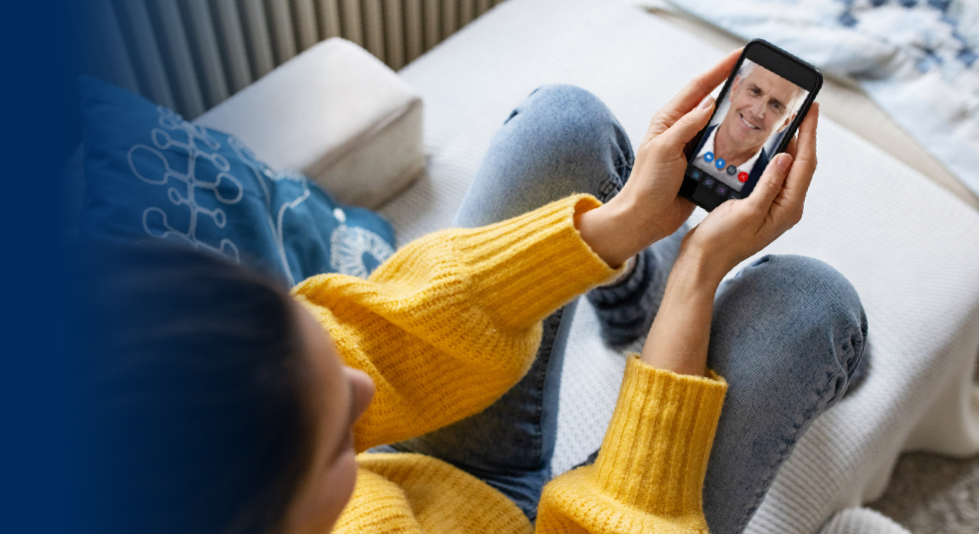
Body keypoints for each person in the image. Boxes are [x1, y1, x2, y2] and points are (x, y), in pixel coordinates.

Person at [80, 49, 866, 534]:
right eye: (331, 447)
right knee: (805, 310)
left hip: (441, 478)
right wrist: (696, 273)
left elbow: (367, 342)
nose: (362, 396)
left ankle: (631, 286)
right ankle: (677, 302)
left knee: (564, 127)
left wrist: (617, 228)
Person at [693, 59, 805, 188]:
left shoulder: (767, 187)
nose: (757, 112)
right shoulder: (686, 141)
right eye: (755, 91)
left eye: (775, 105)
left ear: (785, 123)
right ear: (735, 88)